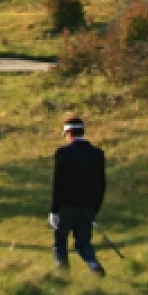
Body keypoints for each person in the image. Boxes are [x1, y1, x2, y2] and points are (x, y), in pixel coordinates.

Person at [50, 114, 106, 276]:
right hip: (88, 205)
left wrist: (54, 210)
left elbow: (58, 183)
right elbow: (101, 184)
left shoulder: (63, 153)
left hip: (66, 205)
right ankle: (94, 265)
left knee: (60, 239)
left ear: (68, 133)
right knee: (84, 242)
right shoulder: (97, 154)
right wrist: (96, 207)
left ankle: (62, 272)